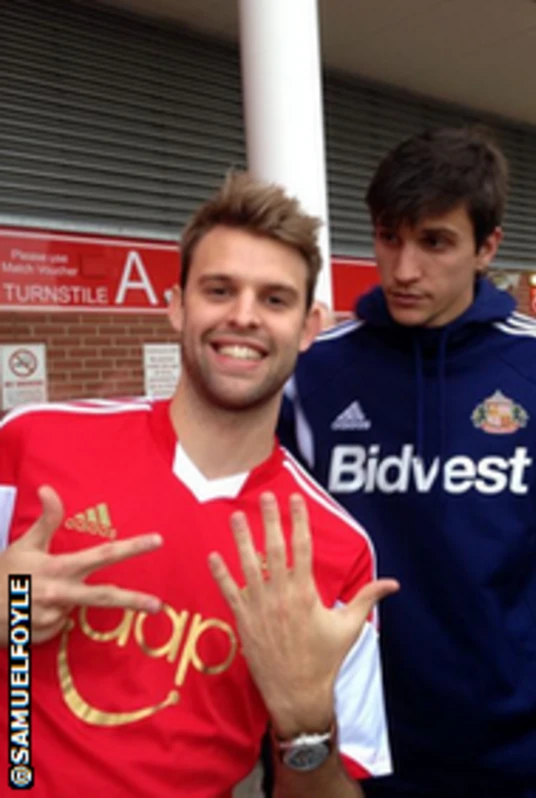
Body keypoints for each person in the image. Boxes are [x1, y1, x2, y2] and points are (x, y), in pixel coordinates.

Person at [0, 172, 398, 797]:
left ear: (309, 325)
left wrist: (303, 724)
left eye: (274, 299)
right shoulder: (31, 442)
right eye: (219, 289)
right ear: (178, 303)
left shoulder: (336, 551)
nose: (243, 316)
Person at [278, 127, 536, 797]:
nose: (403, 269)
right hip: (372, 760)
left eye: (435, 241)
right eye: (389, 236)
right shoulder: (316, 374)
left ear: (487, 247)